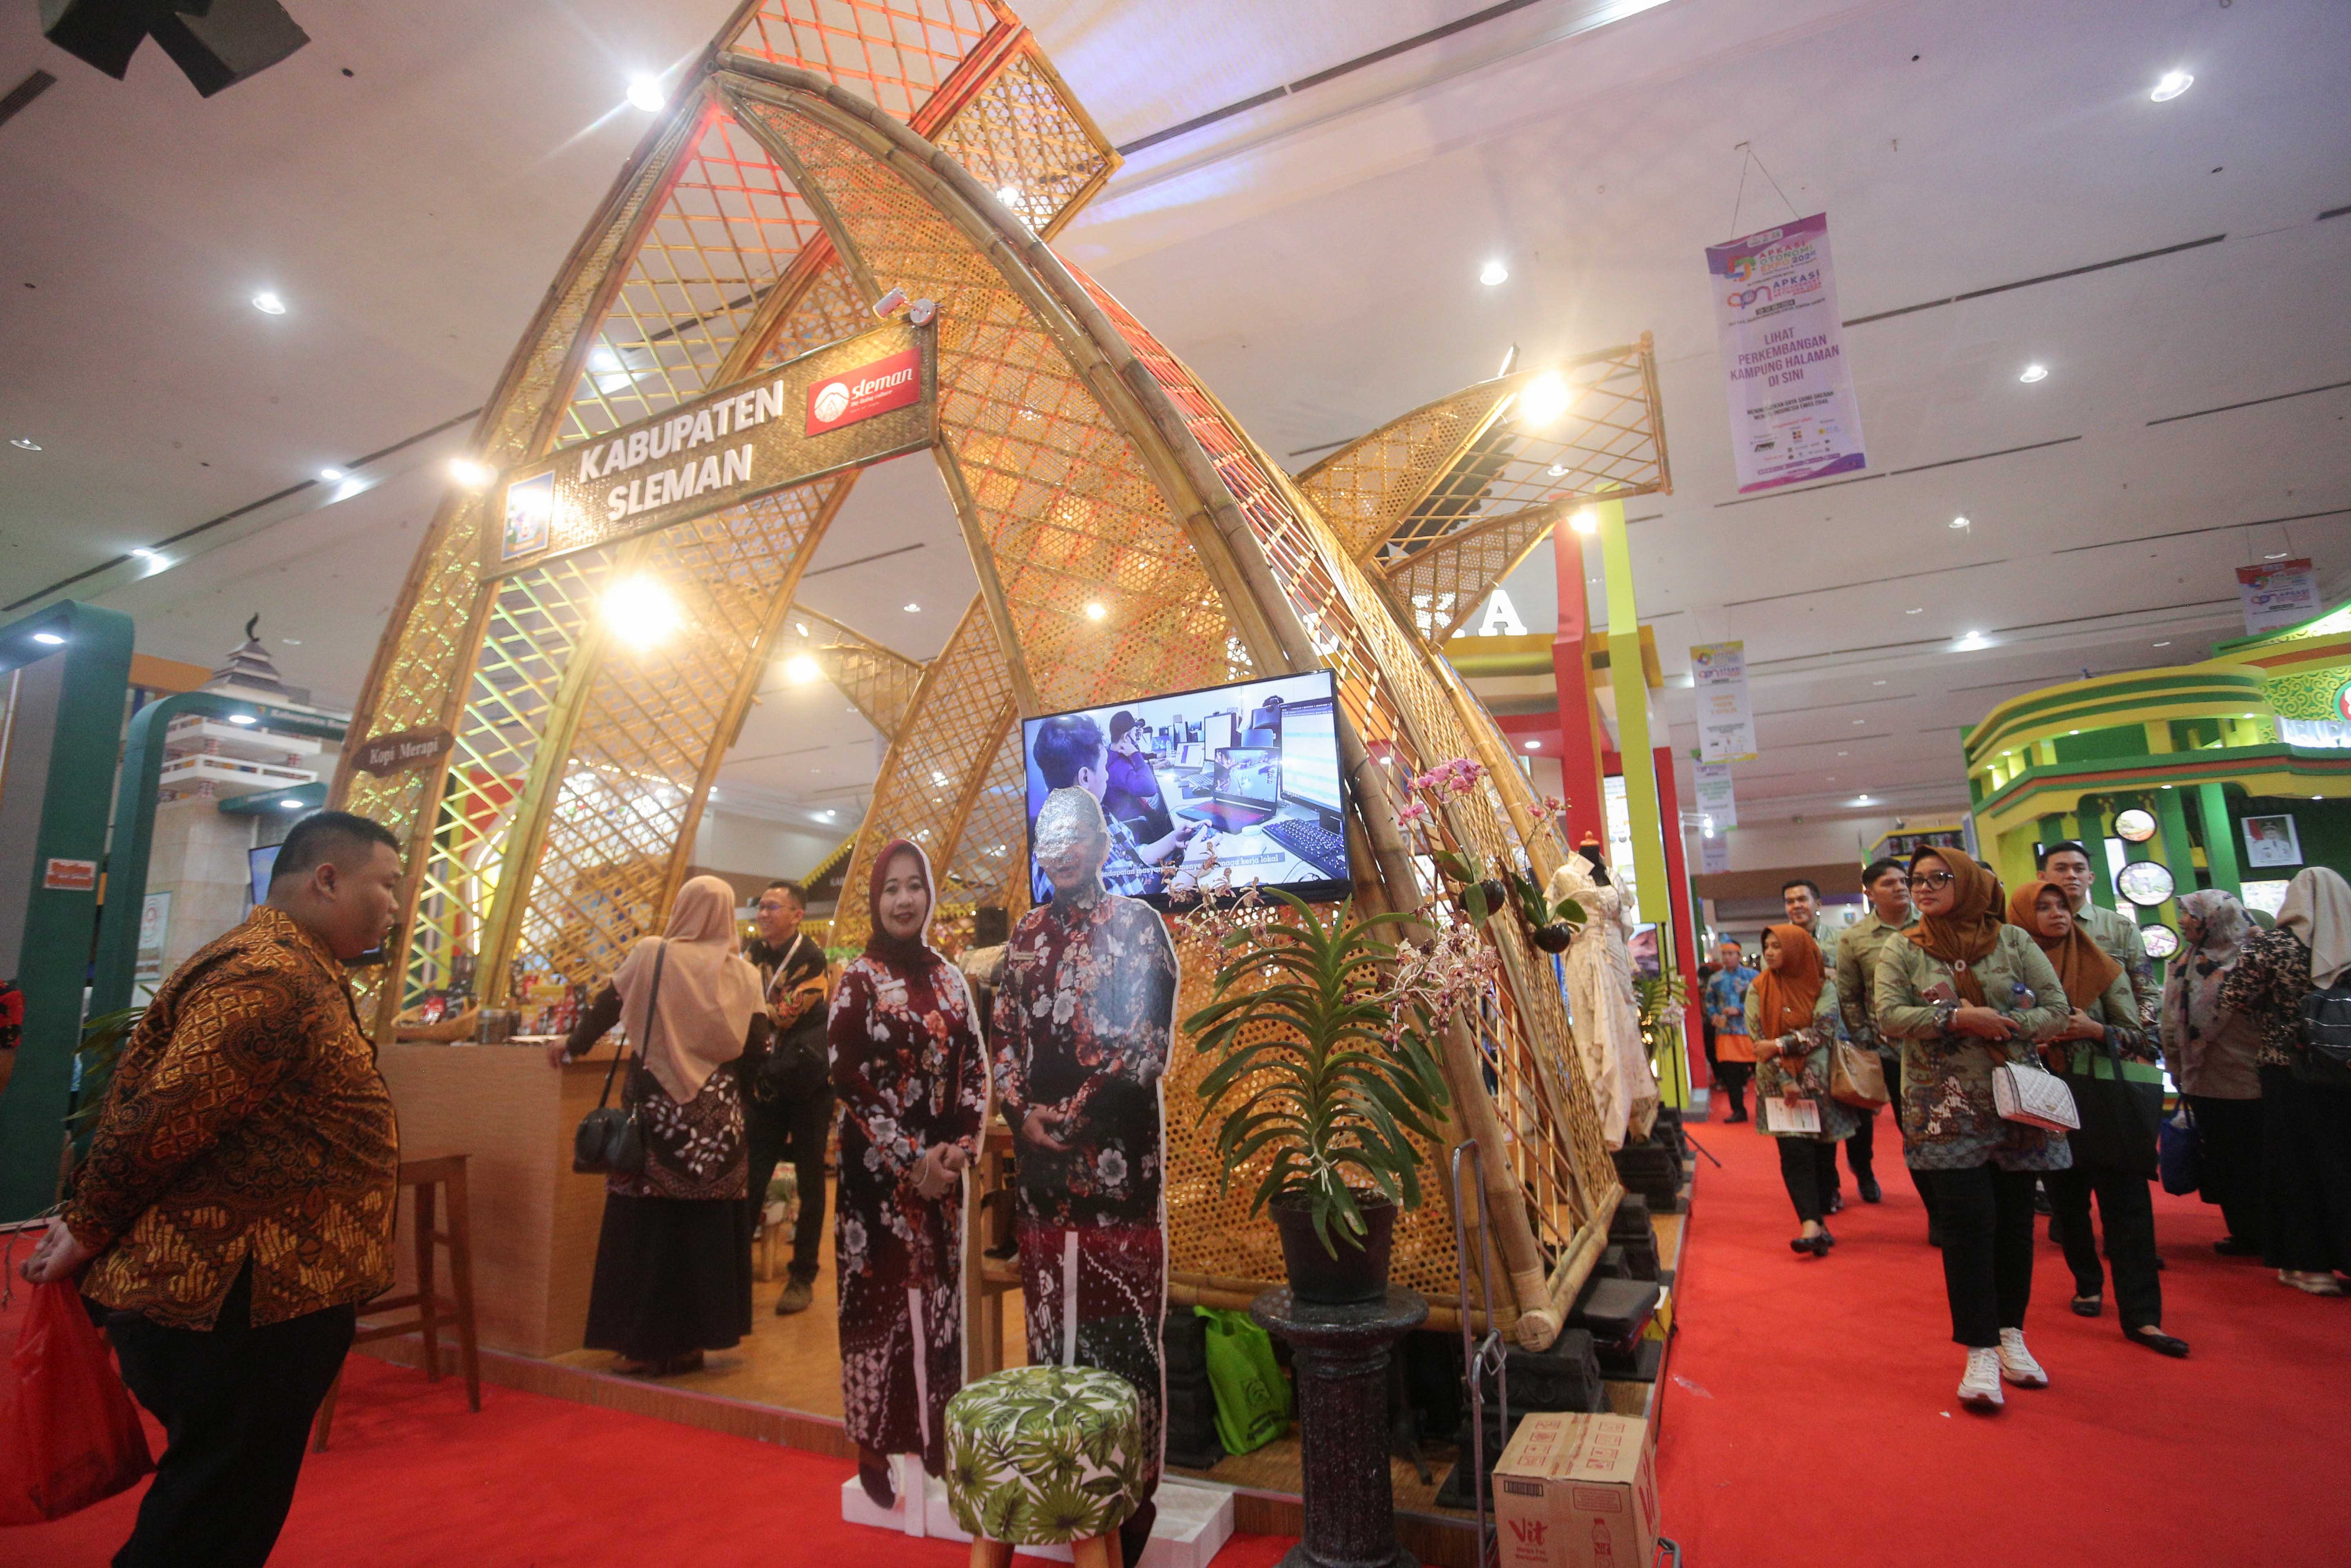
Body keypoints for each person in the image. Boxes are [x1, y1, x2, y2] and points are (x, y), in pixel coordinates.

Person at [19, 811, 403, 1567]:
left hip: (262, 1293)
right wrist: (90, 1225)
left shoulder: (296, 964)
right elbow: (164, 1115)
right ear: (327, 879)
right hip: (236, 1299)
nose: (396, 902)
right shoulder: (270, 973)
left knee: (222, 1503)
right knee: (211, 1520)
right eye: (385, 884)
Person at [992, 789, 1181, 1568]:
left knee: (1123, 1343)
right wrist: (1018, 1113)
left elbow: (1145, 1045)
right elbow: (1001, 1033)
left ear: (1104, 843)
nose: (1060, 848)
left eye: (1075, 835)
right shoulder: (1024, 938)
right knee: (1050, 1341)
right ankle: (1065, 1501)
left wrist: (1071, 1116)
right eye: (1048, 836)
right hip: (1040, 1184)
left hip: (1117, 1182)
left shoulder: (1140, 927)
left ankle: (1130, 1512)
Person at [1874, 849, 2070, 1411]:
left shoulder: (2012, 942)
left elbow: (2057, 1009)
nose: (1926, 888)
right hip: (1943, 1109)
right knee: (1966, 1224)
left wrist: (2005, 1024)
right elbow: (1886, 1016)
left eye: (1939, 878)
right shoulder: (1904, 947)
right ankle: (1979, 1349)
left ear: (1968, 883)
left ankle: (2013, 1336)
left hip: (2016, 1105)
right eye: (1918, 880)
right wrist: (1955, 1018)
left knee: (2013, 1223)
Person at [550, 875, 766, 1375]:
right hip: (718, 1118)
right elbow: (757, 1048)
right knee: (706, 1231)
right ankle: (697, 1341)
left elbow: (607, 1007)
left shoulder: (652, 954)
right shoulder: (745, 975)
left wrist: (573, 1047)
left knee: (647, 1228)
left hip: (655, 1111)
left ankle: (644, 1340)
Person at [829, 840, 989, 1506]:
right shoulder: (858, 978)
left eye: (913, 887)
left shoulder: (952, 977)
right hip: (876, 1184)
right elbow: (846, 1075)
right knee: (879, 1308)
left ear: (929, 895)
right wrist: (909, 1157)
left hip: (942, 1184)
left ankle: (937, 1436)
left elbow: (975, 1070)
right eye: (890, 889)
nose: (902, 900)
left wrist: (957, 1152)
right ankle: (873, 1442)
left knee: (941, 1308)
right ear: (875, 899)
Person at [2011, 880, 2186, 1356]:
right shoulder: (2009, 973)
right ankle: (2088, 1283)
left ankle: (2144, 1318)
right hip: (2047, 1105)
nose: (2057, 915)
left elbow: (2140, 1038)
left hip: (2106, 1102)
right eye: (2043, 908)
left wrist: (2094, 1029)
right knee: (2068, 1207)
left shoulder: (2101, 968)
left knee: (2127, 1208)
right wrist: (2035, 1039)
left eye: (2063, 906)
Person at [2220, 866, 2351, 1296]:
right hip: (2344, 1070)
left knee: (2296, 1166)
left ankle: (2309, 1265)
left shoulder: (2275, 945)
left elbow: (2235, 997)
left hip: (2290, 1069)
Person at [743, 878, 833, 1315]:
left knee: (811, 1178)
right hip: (766, 1082)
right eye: (761, 907)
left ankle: (803, 1275)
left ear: (798, 915)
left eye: (773, 907)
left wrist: (747, 1006)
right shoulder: (753, 954)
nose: (763, 914)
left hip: (806, 1082)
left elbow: (784, 1015)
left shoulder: (812, 959)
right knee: (751, 1172)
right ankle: (730, 1268)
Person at [1838, 856, 1940, 1241]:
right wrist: (1865, 1039)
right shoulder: (1856, 938)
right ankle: (1936, 1211)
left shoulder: (1934, 923)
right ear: (1869, 893)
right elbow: (1849, 995)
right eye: (1889, 883)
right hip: (1894, 1052)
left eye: (1904, 881)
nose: (1900, 887)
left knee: (1946, 1129)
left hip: (1946, 1044)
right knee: (1914, 1130)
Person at [2161, 889, 2265, 1256]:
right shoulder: (2186, 960)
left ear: (2212, 918)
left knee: (2256, 1159)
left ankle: (2270, 1232)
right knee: (2222, 1159)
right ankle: (2243, 1231)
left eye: (2189, 914)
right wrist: (2175, 1065)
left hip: (2247, 1079)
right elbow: (2170, 1020)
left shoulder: (2254, 957)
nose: (2182, 921)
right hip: (2202, 1079)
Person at [1748, 924, 1859, 1256]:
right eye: (1766, 946)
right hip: (1778, 1084)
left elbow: (1823, 1030)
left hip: (1818, 1084)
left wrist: (1780, 1043)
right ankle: (1809, 1223)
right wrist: (1784, 1076)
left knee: (1824, 1154)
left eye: (1777, 947)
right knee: (1794, 1154)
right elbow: (1758, 1044)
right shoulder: (1758, 988)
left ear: (1797, 950)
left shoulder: (1822, 987)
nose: (1769, 953)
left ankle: (1820, 1219)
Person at [1548, 846, 1661, 1148]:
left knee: (1625, 1027)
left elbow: (1624, 924)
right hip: (1586, 955)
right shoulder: (1566, 875)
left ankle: (1632, 1116)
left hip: (1616, 955)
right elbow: (1560, 923)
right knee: (1593, 1029)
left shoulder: (1612, 876)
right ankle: (1600, 1119)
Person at [1032, 713, 1205, 897]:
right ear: (1085, 778)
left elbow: (1134, 856)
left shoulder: (1094, 812)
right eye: (1104, 767)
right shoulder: (1072, 865)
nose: (1107, 775)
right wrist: (1191, 869)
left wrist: (1173, 840)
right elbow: (1137, 919)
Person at [1782, 877, 1869, 1207]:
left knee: (1858, 1113)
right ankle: (1828, 1187)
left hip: (1844, 1039)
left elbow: (1855, 984)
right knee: (1818, 1119)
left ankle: (1864, 1170)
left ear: (1817, 903)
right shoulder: (1779, 942)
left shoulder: (1841, 940)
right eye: (1790, 902)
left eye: (1802, 899)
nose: (1796, 906)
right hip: (1803, 1046)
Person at [2038, 841, 2158, 1025]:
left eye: (2079, 869)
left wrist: (2141, 1043)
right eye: (2061, 869)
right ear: (2042, 877)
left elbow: (2146, 991)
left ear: (2091, 877)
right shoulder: (2029, 929)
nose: (2072, 876)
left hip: (2113, 1043)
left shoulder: (2119, 927)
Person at [1704, 939, 1757, 1122]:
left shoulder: (1753, 977)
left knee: (1762, 1074)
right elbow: (1709, 1002)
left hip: (1750, 1032)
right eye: (1724, 954)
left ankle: (1767, 1109)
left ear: (1739, 955)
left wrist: (1740, 1010)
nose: (1727, 958)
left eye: (1731, 954)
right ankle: (1738, 1110)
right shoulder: (1716, 979)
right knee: (1732, 1078)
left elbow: (1759, 1001)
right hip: (1726, 1034)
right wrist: (1713, 1016)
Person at [1103, 710, 1177, 841]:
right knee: (1170, 805)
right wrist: (1135, 754)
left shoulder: (1113, 754)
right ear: (1126, 737)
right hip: (1138, 827)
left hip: (1135, 816)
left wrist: (1136, 755)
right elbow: (1149, 788)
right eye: (1134, 732)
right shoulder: (1118, 765)